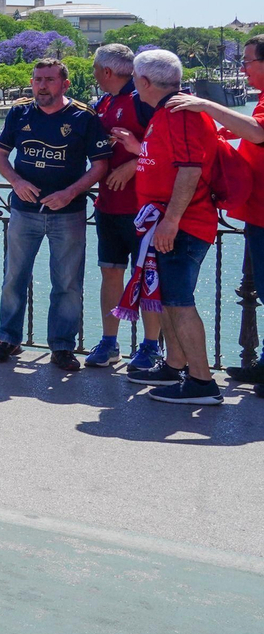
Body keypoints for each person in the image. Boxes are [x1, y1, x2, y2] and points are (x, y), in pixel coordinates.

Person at [112, 49, 225, 404]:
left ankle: (202, 383)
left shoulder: (180, 113)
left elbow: (190, 170)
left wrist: (171, 222)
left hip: (181, 224)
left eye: (134, 80)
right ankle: (175, 366)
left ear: (143, 81)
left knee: (179, 302)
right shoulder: (169, 112)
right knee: (169, 299)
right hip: (168, 222)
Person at [0, 59, 111, 370]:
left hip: (68, 213)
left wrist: (71, 192)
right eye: (37, 79)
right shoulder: (19, 112)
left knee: (67, 282)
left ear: (64, 84)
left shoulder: (83, 117)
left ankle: (62, 347)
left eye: (49, 80)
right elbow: (0, 155)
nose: (42, 85)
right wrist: (17, 181)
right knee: (14, 277)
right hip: (23, 211)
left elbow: (100, 165)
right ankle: (8, 340)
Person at [167, 32, 264, 393]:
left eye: (249, 61)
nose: (244, 68)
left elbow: (257, 133)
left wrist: (205, 106)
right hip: (256, 212)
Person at [84, 44, 164, 371]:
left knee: (148, 277)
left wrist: (134, 164)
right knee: (110, 273)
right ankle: (109, 342)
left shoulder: (144, 102)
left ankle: (150, 347)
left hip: (144, 210)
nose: (92, 74)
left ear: (105, 71)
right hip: (108, 206)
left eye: (94, 69)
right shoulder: (103, 103)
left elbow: (166, 147)